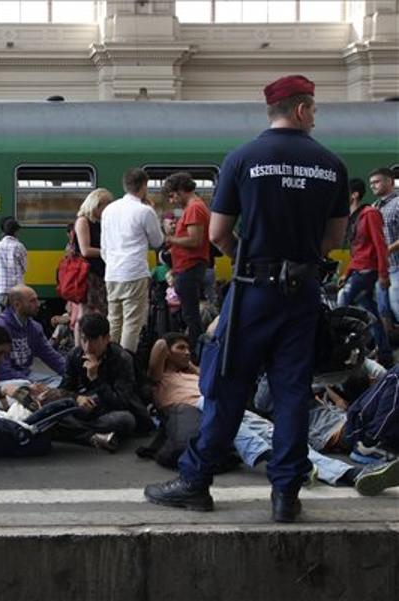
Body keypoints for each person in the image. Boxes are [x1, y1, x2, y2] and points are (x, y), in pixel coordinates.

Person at [144, 74, 350, 523]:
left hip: (253, 290)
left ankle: (195, 483)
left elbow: (217, 234)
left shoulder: (243, 158)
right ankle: (285, 495)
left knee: (228, 384)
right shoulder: (332, 166)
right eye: (313, 109)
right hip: (303, 294)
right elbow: (332, 239)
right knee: (293, 391)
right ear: (301, 110)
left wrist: (250, 259)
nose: (315, 118)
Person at [149, 334, 399, 495]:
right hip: (199, 408)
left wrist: (189, 364)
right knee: (235, 426)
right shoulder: (160, 378)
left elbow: (209, 379)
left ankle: (350, 474)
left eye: (188, 348)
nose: (187, 352)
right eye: (181, 348)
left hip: (222, 405)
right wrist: (172, 352)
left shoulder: (194, 374)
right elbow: (160, 346)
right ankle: (278, 461)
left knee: (282, 438)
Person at [55, 313, 153, 451]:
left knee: (125, 420)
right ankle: (94, 437)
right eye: (84, 340)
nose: (88, 347)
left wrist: (96, 379)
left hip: (111, 410)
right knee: (51, 407)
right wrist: (77, 398)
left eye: (93, 340)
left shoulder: (121, 358)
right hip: (88, 407)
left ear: (107, 339)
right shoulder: (75, 355)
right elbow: (64, 389)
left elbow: (121, 402)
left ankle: (72, 431)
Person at [100, 167, 165, 353]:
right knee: (132, 323)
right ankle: (125, 366)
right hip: (134, 272)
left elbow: (104, 246)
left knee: (114, 320)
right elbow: (157, 241)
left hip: (112, 273)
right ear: (144, 186)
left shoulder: (109, 210)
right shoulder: (144, 211)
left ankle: (108, 361)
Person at [337, 178, 392, 366]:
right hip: (359, 269)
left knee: (342, 301)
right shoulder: (354, 219)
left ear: (354, 195)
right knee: (370, 311)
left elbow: (380, 245)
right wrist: (347, 273)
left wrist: (383, 274)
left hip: (367, 271)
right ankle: (385, 354)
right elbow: (358, 251)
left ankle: (345, 352)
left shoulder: (369, 214)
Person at [163, 172, 211, 354]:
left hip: (189, 267)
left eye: (173, 195)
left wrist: (171, 239)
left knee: (191, 315)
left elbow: (194, 240)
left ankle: (196, 355)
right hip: (188, 267)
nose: (173, 200)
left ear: (182, 191)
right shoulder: (196, 207)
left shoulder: (194, 208)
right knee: (190, 314)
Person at [0, 285, 66, 386]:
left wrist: (72, 373)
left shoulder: (34, 327)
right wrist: (32, 384)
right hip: (7, 380)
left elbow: (51, 356)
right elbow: (2, 371)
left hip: (27, 377)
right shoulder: (0, 327)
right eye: (32, 301)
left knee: (62, 382)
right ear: (17, 305)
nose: (38, 304)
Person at [73, 189, 112, 321]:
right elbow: (85, 250)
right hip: (88, 274)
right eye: (106, 205)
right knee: (85, 312)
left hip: (101, 272)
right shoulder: (83, 221)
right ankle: (81, 341)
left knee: (102, 310)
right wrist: (109, 252)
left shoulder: (101, 223)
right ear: (96, 205)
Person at [0, 217, 27, 325]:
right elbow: (24, 267)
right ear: (16, 231)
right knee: (17, 317)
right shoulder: (19, 246)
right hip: (16, 288)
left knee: (3, 317)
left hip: (1, 287)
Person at [370, 167, 399, 328]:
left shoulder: (398, 203)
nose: (373, 186)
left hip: (397, 266)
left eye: (377, 182)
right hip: (381, 268)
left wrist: (387, 250)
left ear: (390, 181)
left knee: (396, 306)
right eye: (371, 183)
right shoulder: (374, 207)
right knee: (383, 310)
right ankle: (387, 348)